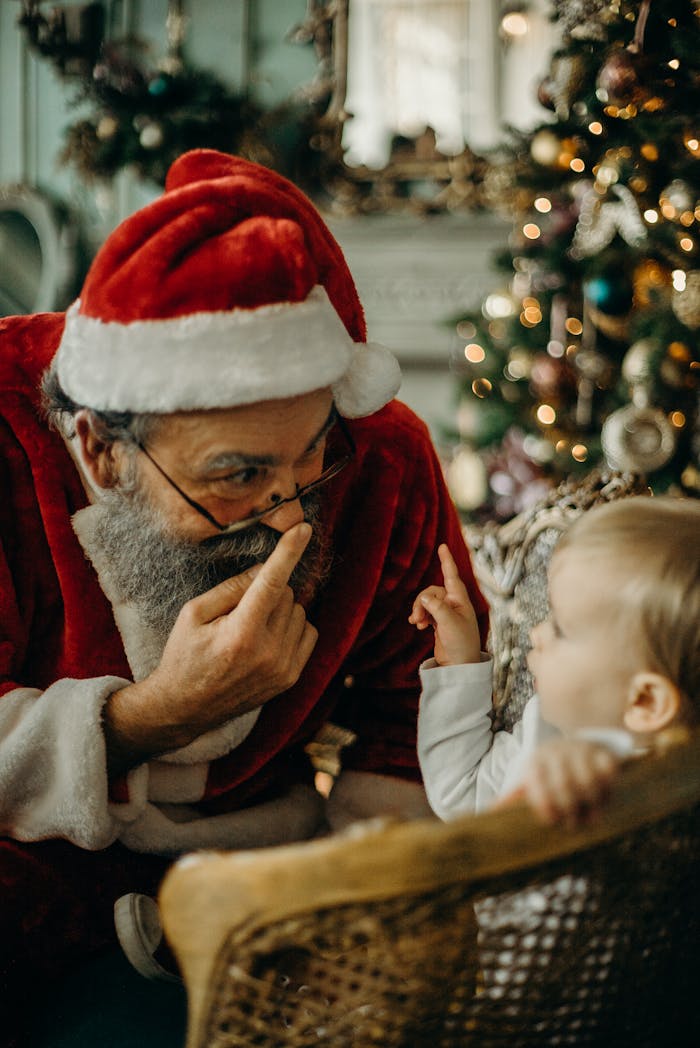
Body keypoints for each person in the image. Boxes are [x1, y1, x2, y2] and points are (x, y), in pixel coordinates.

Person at [0, 149, 488, 1038]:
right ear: (103, 449)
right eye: (237, 475)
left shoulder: (379, 456)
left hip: (264, 887)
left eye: (313, 454)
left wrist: (349, 917)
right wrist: (150, 719)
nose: (290, 510)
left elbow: (409, 724)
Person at [412, 496, 700, 826]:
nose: (537, 634)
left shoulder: (668, 818)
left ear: (644, 701)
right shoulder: (551, 720)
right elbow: (465, 795)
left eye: (561, 630)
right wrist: (459, 662)